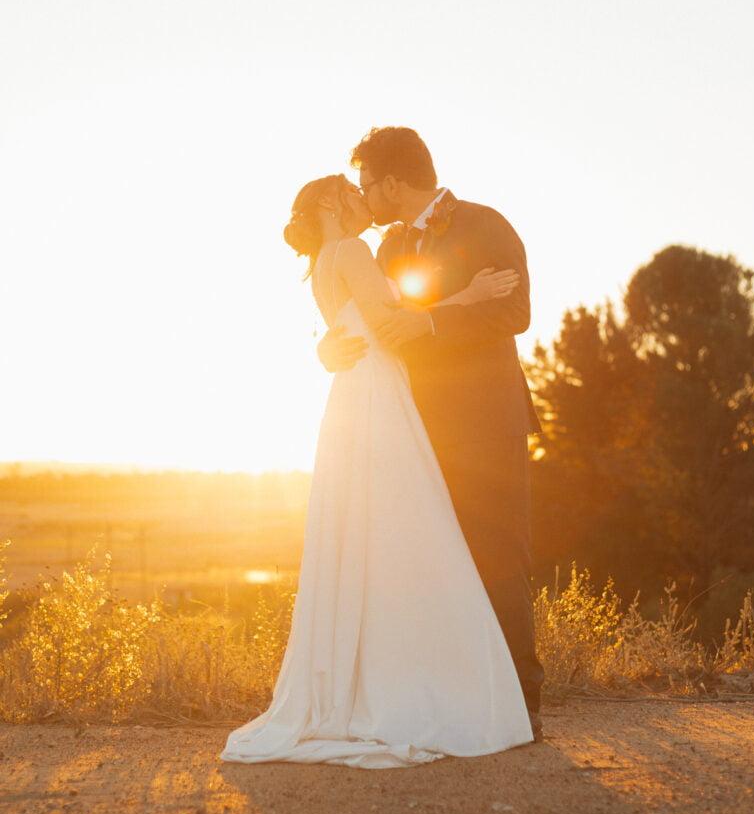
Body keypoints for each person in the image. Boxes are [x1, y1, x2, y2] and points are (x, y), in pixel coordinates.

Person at [219, 172, 534, 769]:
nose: (366, 199)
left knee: (375, 539)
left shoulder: (325, 260)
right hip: (378, 401)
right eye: (356, 191)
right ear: (338, 201)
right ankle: (419, 688)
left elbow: (349, 325)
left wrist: (325, 347)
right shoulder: (358, 249)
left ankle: (380, 680)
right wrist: (467, 296)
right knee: (411, 537)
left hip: (359, 400)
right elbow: (389, 324)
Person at [317, 127, 546, 741]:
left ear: (393, 181)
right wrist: (329, 347)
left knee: (496, 553)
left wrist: (433, 327)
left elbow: (515, 311)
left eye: (369, 184)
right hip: (408, 422)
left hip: (484, 420)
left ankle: (521, 705)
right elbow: (369, 319)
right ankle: (446, 694)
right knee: (421, 556)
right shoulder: (385, 248)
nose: (366, 197)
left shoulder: (484, 223)